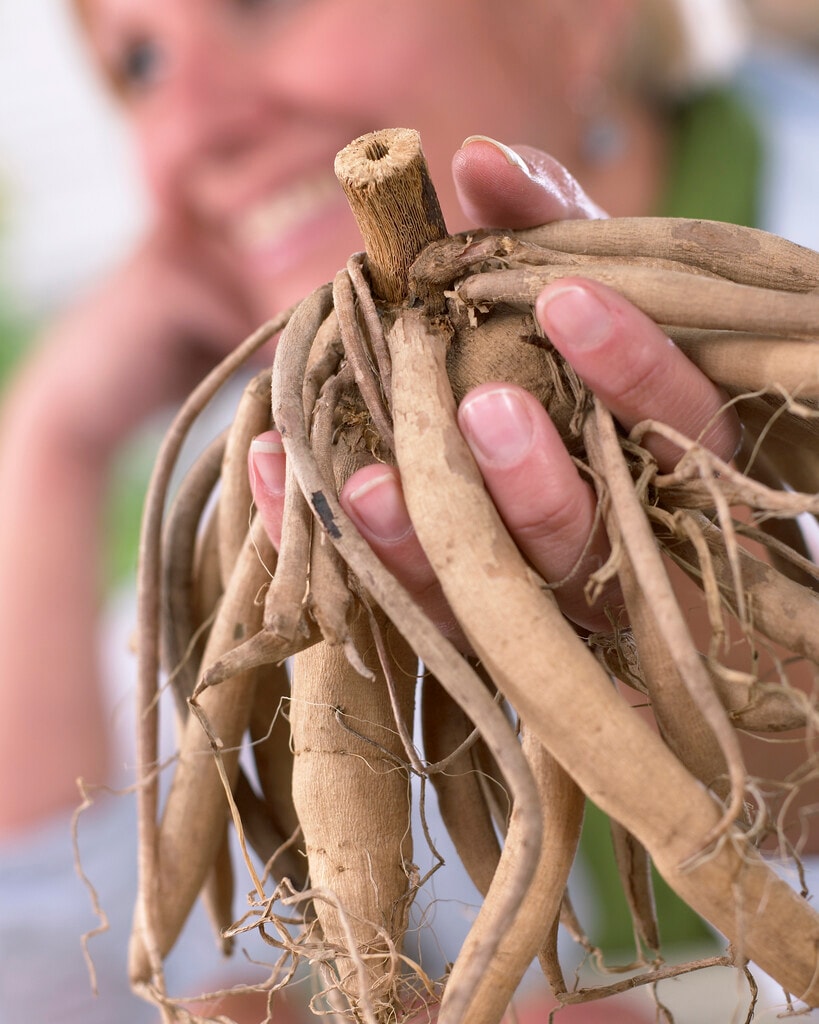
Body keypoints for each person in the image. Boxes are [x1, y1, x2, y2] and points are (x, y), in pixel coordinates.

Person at [0, 0, 812, 1021]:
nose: (192, 127)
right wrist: (49, 445)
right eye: (145, 62)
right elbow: (48, 982)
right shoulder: (282, 494)